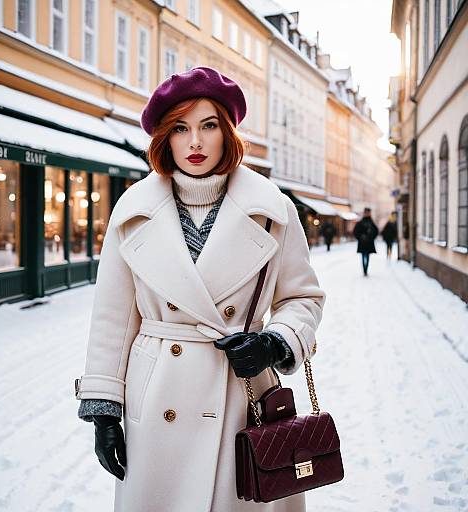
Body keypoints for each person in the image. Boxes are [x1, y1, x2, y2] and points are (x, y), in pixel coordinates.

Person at [75, 66, 325, 512]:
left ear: (227, 133)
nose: (195, 143)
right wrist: (103, 409)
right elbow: (112, 316)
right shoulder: (133, 210)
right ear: (164, 138)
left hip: (241, 394)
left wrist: (274, 342)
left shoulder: (273, 209)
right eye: (181, 128)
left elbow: (302, 298)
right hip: (156, 396)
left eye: (208, 126)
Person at [353, 207, 379, 276]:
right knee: (363, 255)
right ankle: (364, 270)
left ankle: (366, 269)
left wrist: (371, 237)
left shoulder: (371, 222)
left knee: (367, 256)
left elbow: (376, 231)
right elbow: (355, 232)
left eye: (368, 212)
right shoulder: (360, 222)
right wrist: (360, 237)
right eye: (366, 212)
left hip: (369, 243)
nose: (367, 214)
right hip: (362, 242)